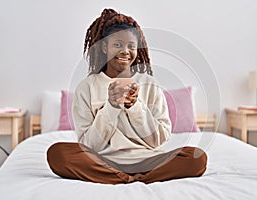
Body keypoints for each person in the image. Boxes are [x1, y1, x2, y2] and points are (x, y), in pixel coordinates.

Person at [47, 8, 207, 184]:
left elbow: (158, 140)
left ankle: (123, 178)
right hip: (103, 161)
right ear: (104, 46)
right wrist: (112, 106)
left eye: (131, 46)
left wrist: (135, 107)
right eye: (117, 45)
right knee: (58, 153)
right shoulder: (87, 87)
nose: (125, 51)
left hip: (147, 160)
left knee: (196, 158)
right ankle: (134, 178)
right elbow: (89, 145)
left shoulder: (149, 84)